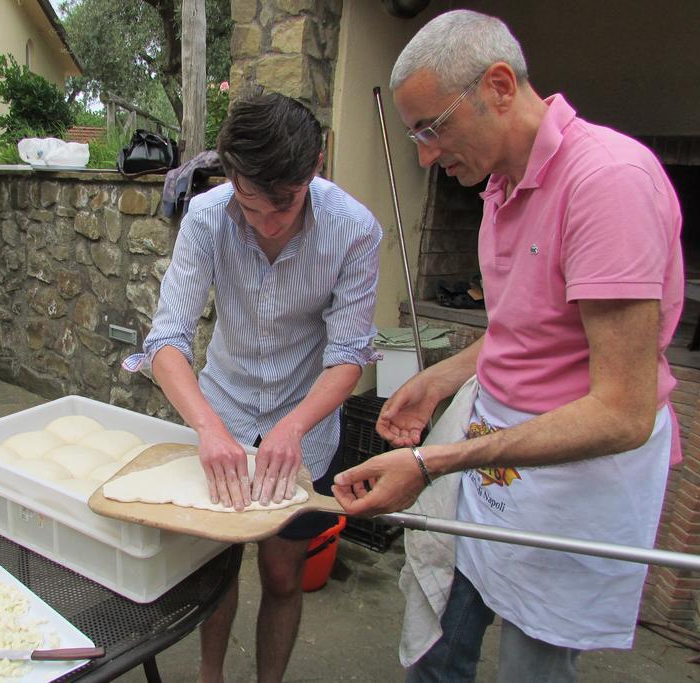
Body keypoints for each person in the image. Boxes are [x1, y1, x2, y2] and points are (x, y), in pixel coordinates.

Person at [332, 9, 683, 682]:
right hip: (494, 453)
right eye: (415, 135)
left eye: (432, 129)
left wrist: (436, 461)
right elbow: (529, 328)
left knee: (532, 664)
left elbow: (622, 410)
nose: (426, 156)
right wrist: (443, 379)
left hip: (569, 475)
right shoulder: (498, 181)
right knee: (441, 630)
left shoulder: (607, 183)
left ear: (497, 85)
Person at [123, 93, 382, 682]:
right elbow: (166, 340)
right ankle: (210, 675)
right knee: (213, 569)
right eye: (251, 205)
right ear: (230, 175)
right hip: (226, 410)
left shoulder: (355, 231)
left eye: (283, 208)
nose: (267, 224)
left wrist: (294, 425)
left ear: (315, 165)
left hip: (305, 426)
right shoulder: (208, 216)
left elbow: (348, 356)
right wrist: (209, 429)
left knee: (284, 575)